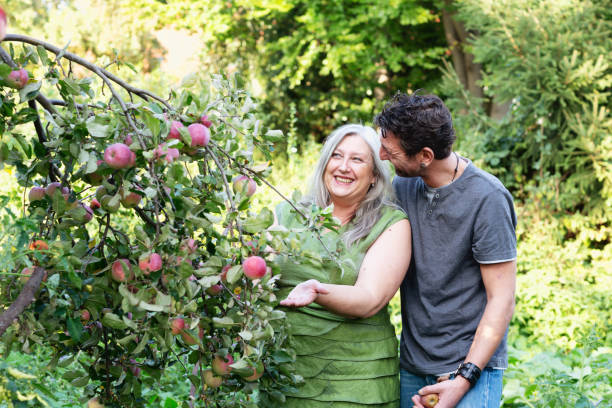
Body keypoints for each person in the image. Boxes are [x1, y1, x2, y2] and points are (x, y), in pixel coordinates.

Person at [373, 92, 517, 408]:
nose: (382, 157)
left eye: (390, 151)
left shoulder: (487, 199)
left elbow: (502, 299)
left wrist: (464, 378)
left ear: (425, 155)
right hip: (413, 366)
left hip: (468, 369)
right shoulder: (402, 187)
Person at [277, 123, 412, 407]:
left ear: (375, 174)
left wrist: (318, 290)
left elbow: (369, 299)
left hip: (355, 379)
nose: (343, 166)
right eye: (337, 156)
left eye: (357, 159)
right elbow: (256, 268)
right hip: (286, 373)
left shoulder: (390, 224)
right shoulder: (288, 213)